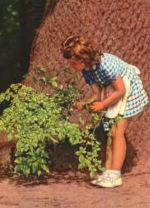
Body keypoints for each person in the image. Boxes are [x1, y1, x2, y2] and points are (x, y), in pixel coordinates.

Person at [61, 35, 148, 188]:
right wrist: (84, 104)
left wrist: (102, 105)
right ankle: (108, 172)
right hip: (112, 93)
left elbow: (121, 90)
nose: (71, 66)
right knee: (110, 134)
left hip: (128, 91)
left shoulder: (106, 65)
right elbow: (96, 93)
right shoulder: (87, 71)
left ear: (83, 58)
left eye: (73, 63)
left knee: (117, 132)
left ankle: (115, 174)